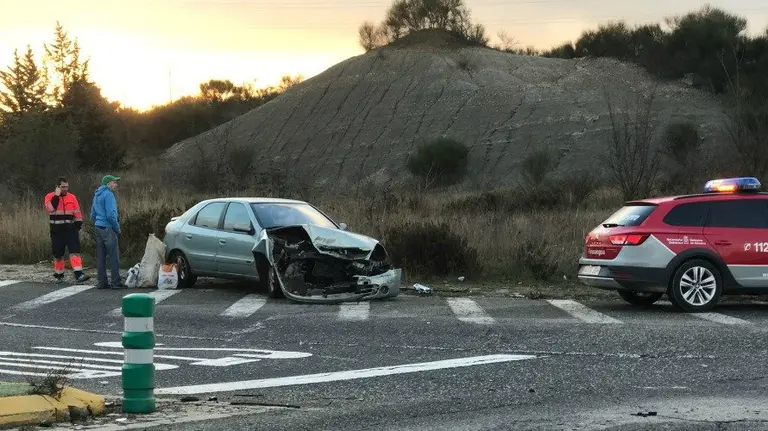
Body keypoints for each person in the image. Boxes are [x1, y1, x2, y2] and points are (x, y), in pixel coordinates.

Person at [44, 177, 90, 283]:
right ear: (57, 187)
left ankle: (79, 274)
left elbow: (77, 211)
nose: (65, 189)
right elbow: (50, 208)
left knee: (75, 251)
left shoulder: (72, 197)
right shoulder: (49, 196)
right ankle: (59, 274)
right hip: (56, 230)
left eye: (66, 187)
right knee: (58, 254)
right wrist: (56, 195)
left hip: (70, 230)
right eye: (62, 187)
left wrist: (78, 224)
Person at [90, 175, 126, 289]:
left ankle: (102, 282)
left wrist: (98, 222)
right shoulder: (109, 195)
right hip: (108, 228)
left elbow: (92, 214)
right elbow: (111, 214)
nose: (116, 185)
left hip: (98, 227)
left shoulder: (96, 195)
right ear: (108, 183)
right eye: (114, 182)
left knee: (101, 256)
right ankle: (115, 282)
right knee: (113, 256)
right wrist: (117, 227)